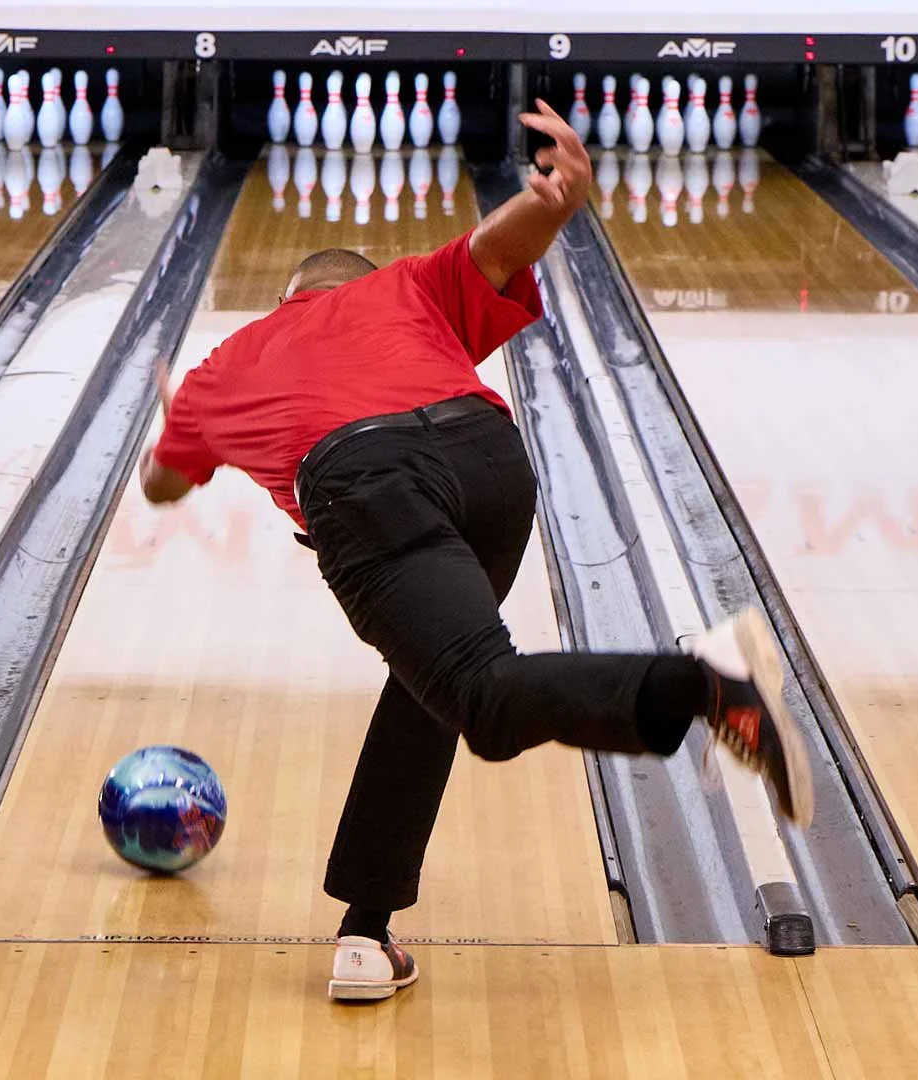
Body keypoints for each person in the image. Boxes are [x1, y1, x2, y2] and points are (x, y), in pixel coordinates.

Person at [139, 101, 812, 1002]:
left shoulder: (232, 361)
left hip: (366, 486)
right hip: (489, 463)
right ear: (356, 285)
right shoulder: (410, 288)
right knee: (434, 689)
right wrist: (559, 197)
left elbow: (163, 488)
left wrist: (177, 419)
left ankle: (704, 680)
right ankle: (366, 932)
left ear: (288, 301)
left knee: (483, 702)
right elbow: (499, 246)